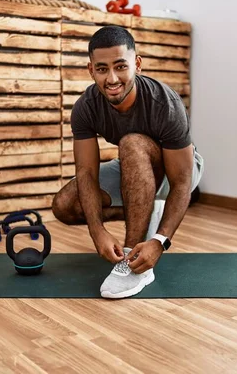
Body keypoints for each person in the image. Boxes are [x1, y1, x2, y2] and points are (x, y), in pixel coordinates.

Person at [51, 25, 204, 299]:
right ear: (91, 70)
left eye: (121, 67)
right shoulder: (85, 107)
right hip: (135, 167)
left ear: (137, 64)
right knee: (65, 205)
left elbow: (181, 181)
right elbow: (86, 172)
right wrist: (96, 231)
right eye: (102, 69)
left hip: (180, 173)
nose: (112, 78)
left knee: (131, 142)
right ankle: (149, 212)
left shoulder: (165, 103)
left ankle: (133, 263)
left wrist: (159, 240)